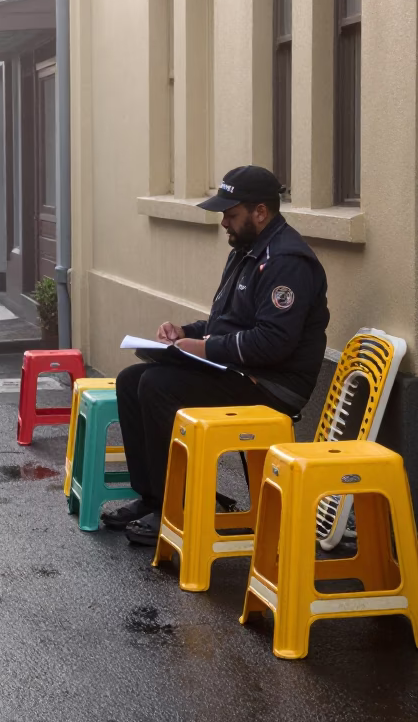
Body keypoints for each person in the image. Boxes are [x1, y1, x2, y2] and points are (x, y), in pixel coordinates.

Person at [104, 165, 330, 545]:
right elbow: (226, 322)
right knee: (131, 381)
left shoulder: (287, 261)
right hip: (241, 371)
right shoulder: (247, 251)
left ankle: (177, 511)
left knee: (159, 386)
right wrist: (186, 334)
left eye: (231, 213)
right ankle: (154, 498)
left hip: (273, 386)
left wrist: (204, 348)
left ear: (261, 212)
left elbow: (274, 343)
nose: (224, 221)